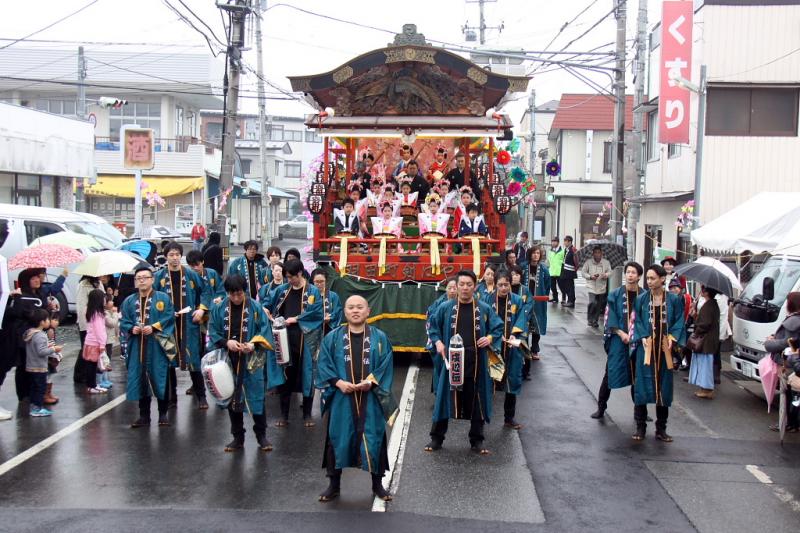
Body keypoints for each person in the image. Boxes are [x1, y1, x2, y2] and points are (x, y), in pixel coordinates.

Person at [316, 295, 396, 502]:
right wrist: (338, 383)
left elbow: (386, 365)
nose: (355, 310)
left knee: (374, 438)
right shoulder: (332, 338)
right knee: (337, 438)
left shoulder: (379, 338)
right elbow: (324, 363)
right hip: (342, 398)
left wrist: (370, 383)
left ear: (368, 311)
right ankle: (333, 484)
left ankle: (378, 485)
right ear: (345, 311)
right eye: (351, 307)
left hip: (371, 399)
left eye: (360, 307)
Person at [426, 270, 503, 455]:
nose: (465, 288)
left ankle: (477, 440)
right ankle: (436, 438)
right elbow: (433, 326)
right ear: (456, 286)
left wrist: (490, 338)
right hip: (452, 363)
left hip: (476, 362)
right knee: (445, 398)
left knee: (477, 400)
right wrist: (437, 342)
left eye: (469, 284)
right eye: (462, 284)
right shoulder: (445, 307)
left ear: (475, 286)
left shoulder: (483, 308)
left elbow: (498, 326)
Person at [208, 275, 278, 452]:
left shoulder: (255, 308)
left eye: (239, 293)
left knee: (256, 397)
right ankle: (237, 437)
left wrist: (253, 343)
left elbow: (265, 329)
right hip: (228, 361)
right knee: (232, 398)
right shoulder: (219, 308)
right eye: (232, 294)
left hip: (251, 360)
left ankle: (261, 435)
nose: (236, 298)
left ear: (244, 291)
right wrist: (226, 343)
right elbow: (213, 331)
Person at [264, 259, 324, 427]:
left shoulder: (312, 292)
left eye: (291, 277)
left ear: (299, 273)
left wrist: (297, 319)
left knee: (307, 375)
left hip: (305, 340)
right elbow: (267, 303)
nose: (288, 280)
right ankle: (284, 415)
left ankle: (307, 414)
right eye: (286, 277)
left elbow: (317, 314)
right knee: (285, 375)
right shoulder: (283, 290)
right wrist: (266, 309)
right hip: (284, 339)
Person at [632, 264, 686, 442]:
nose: (649, 282)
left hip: (664, 350)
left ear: (662, 279)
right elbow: (637, 320)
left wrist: (673, 337)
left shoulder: (674, 300)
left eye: (652, 278)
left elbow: (679, 320)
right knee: (642, 386)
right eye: (647, 278)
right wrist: (643, 336)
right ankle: (640, 427)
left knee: (663, 387)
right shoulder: (640, 299)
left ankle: (661, 428)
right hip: (646, 348)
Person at [154, 242, 211, 409]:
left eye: (177, 254)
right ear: (166, 257)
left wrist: (201, 309)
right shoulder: (159, 277)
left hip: (188, 325)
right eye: (171, 255)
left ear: (181, 256)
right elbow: (153, 299)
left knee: (193, 359)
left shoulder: (190, 275)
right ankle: (172, 398)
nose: (174, 258)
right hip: (168, 325)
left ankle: (201, 396)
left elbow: (206, 291)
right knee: (168, 360)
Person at [121, 266, 176, 428]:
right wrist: (132, 328)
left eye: (145, 277)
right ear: (135, 282)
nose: (142, 280)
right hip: (137, 346)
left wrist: (154, 327)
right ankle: (144, 415)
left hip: (158, 345)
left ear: (152, 280)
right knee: (140, 378)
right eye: (139, 278)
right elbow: (124, 321)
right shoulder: (129, 301)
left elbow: (169, 317)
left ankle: (163, 413)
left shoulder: (162, 298)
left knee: (160, 377)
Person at [591, 261, 643, 419]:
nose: (630, 275)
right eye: (628, 272)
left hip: (638, 340)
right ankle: (601, 407)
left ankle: (640, 411)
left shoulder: (644, 295)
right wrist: (621, 333)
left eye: (634, 272)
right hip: (618, 339)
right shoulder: (615, 294)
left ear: (639, 276)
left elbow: (645, 321)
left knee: (638, 375)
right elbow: (609, 318)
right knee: (611, 372)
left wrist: (636, 335)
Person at [482, 271, 527, 429]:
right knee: (487, 381)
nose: (503, 288)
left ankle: (509, 417)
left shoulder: (516, 300)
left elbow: (522, 318)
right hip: (492, 348)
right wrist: (491, 336)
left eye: (506, 285)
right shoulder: (487, 300)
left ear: (510, 285)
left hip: (510, 347)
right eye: (500, 285)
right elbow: (482, 322)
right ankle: (483, 415)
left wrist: (515, 335)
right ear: (495, 284)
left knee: (512, 381)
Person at [764, 292, 800, 432]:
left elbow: (787, 343)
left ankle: (789, 423)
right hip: (793, 362)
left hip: (789, 362)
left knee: (789, 395)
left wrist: (770, 342)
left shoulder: (793, 321)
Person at [24, 308, 61, 417]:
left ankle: (33, 406)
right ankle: (37, 408)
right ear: (41, 322)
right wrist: (54, 349)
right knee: (40, 388)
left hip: (31, 366)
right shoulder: (40, 335)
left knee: (34, 387)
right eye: (47, 320)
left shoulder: (30, 333)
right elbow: (41, 352)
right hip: (39, 367)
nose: (49, 321)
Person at [426, 277, 457, 394]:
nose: (453, 290)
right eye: (450, 288)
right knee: (440, 367)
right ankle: (438, 393)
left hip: (455, 340)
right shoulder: (439, 303)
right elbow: (431, 323)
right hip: (440, 341)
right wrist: (437, 341)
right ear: (446, 289)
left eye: (455, 288)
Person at [689, 286, 721, 400]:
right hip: (709, 339)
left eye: (702, 289)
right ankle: (705, 388)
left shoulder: (709, 306)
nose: (701, 291)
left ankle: (707, 389)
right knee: (705, 364)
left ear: (706, 292)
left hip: (706, 340)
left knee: (705, 365)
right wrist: (696, 316)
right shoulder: (712, 304)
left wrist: (697, 331)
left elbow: (705, 323)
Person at [75, 275, 105, 384]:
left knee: (93, 353)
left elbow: (102, 298)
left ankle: (91, 374)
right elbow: (81, 305)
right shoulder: (83, 285)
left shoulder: (99, 283)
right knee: (86, 350)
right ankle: (80, 374)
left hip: (97, 318)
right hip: (87, 322)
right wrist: (85, 324)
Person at [525, 246, 551, 365]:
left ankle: (535, 350)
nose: (536, 255)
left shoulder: (544, 269)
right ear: (530, 254)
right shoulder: (524, 267)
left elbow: (547, 284)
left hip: (539, 302)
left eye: (538, 253)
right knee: (524, 325)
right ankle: (524, 349)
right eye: (534, 253)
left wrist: (544, 296)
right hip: (525, 301)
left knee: (537, 326)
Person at [83, 289, 108, 394]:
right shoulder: (98, 314)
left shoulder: (91, 312)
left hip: (89, 342)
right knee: (92, 366)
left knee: (90, 365)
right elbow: (100, 331)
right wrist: (102, 344)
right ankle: (92, 386)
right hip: (95, 343)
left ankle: (91, 385)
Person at [581, 246, 612, 328]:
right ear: (593, 254)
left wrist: (606, 275)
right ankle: (589, 318)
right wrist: (590, 277)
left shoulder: (606, 262)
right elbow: (583, 272)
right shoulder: (588, 262)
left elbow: (610, 272)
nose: (597, 254)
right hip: (591, 286)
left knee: (599, 305)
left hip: (601, 286)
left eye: (599, 252)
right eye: (595, 252)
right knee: (592, 302)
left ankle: (595, 320)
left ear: (601, 254)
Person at [311, 268, 343, 337]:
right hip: (314, 330)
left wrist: (330, 317)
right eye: (317, 281)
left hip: (329, 328)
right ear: (313, 281)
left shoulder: (333, 296)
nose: (319, 284)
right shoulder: (309, 296)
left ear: (326, 281)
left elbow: (338, 311)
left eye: (322, 281)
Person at [101, 295, 119, 390]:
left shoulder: (109, 312)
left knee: (108, 359)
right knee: (104, 360)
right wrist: (115, 314)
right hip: (106, 340)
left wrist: (117, 334)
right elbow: (112, 323)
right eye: (111, 301)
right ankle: (102, 379)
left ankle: (106, 378)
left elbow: (116, 326)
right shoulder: (105, 314)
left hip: (109, 339)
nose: (112, 302)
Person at [559, 236, 578, 308]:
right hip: (565, 270)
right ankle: (570, 298)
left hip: (570, 271)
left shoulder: (573, 249)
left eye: (566, 241)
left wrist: (575, 268)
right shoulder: (566, 249)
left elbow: (576, 261)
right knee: (563, 284)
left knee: (570, 286)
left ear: (569, 242)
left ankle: (571, 301)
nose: (564, 242)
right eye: (564, 241)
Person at [547, 237, 564, 303]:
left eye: (555, 241)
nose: (553, 243)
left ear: (558, 242)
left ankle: (564, 299)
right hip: (551, 272)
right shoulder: (550, 251)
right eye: (552, 241)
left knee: (562, 287)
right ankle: (555, 298)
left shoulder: (562, 251)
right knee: (552, 287)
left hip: (559, 272)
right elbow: (548, 261)